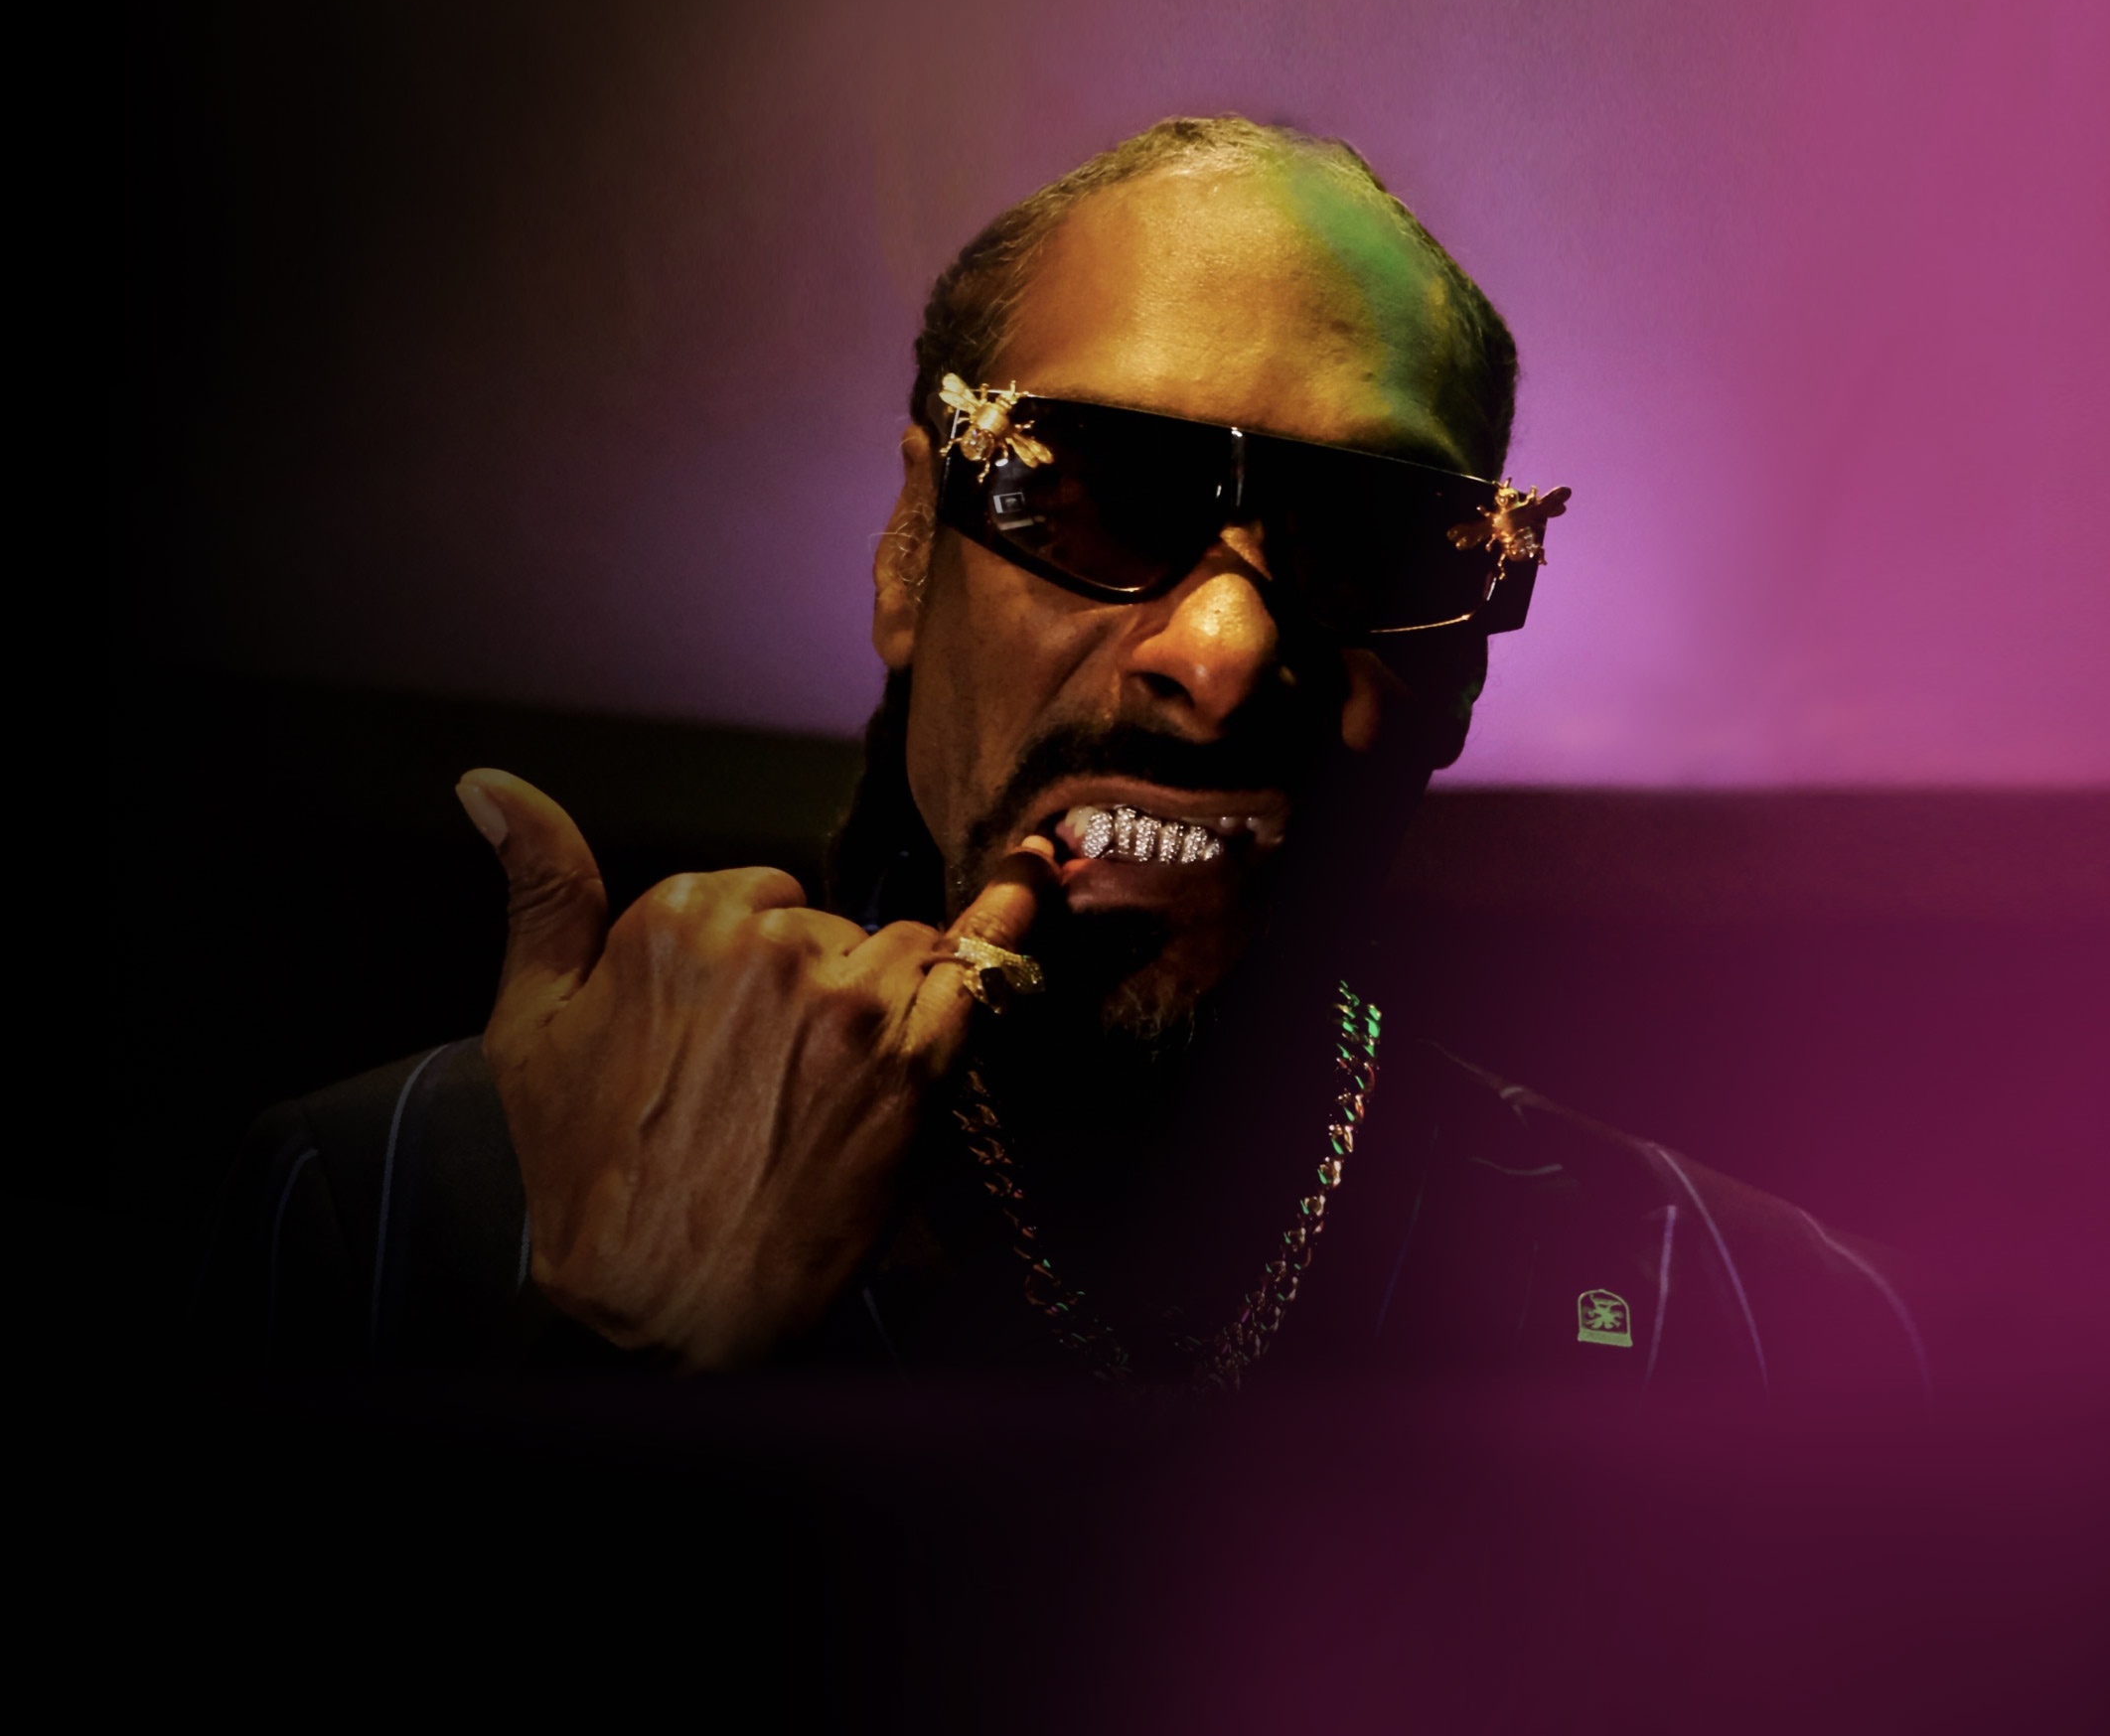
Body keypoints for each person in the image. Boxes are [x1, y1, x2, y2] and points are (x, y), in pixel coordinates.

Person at [199, 115, 1928, 1399]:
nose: (1224, 651)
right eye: (1100, 491)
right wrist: (597, 1374)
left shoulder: (1746, 1325)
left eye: (1372, 546)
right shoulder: (379, 1207)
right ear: (909, 553)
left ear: (1464, 666)